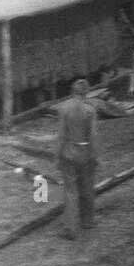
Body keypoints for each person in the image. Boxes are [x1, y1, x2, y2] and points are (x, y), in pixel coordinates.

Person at [55, 78, 101, 240]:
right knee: (87, 187)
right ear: (86, 93)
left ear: (72, 91)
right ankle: (88, 221)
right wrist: (95, 156)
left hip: (68, 152)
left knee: (70, 191)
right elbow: (94, 136)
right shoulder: (91, 110)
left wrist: (57, 156)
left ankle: (70, 228)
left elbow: (61, 135)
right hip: (86, 152)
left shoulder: (64, 108)